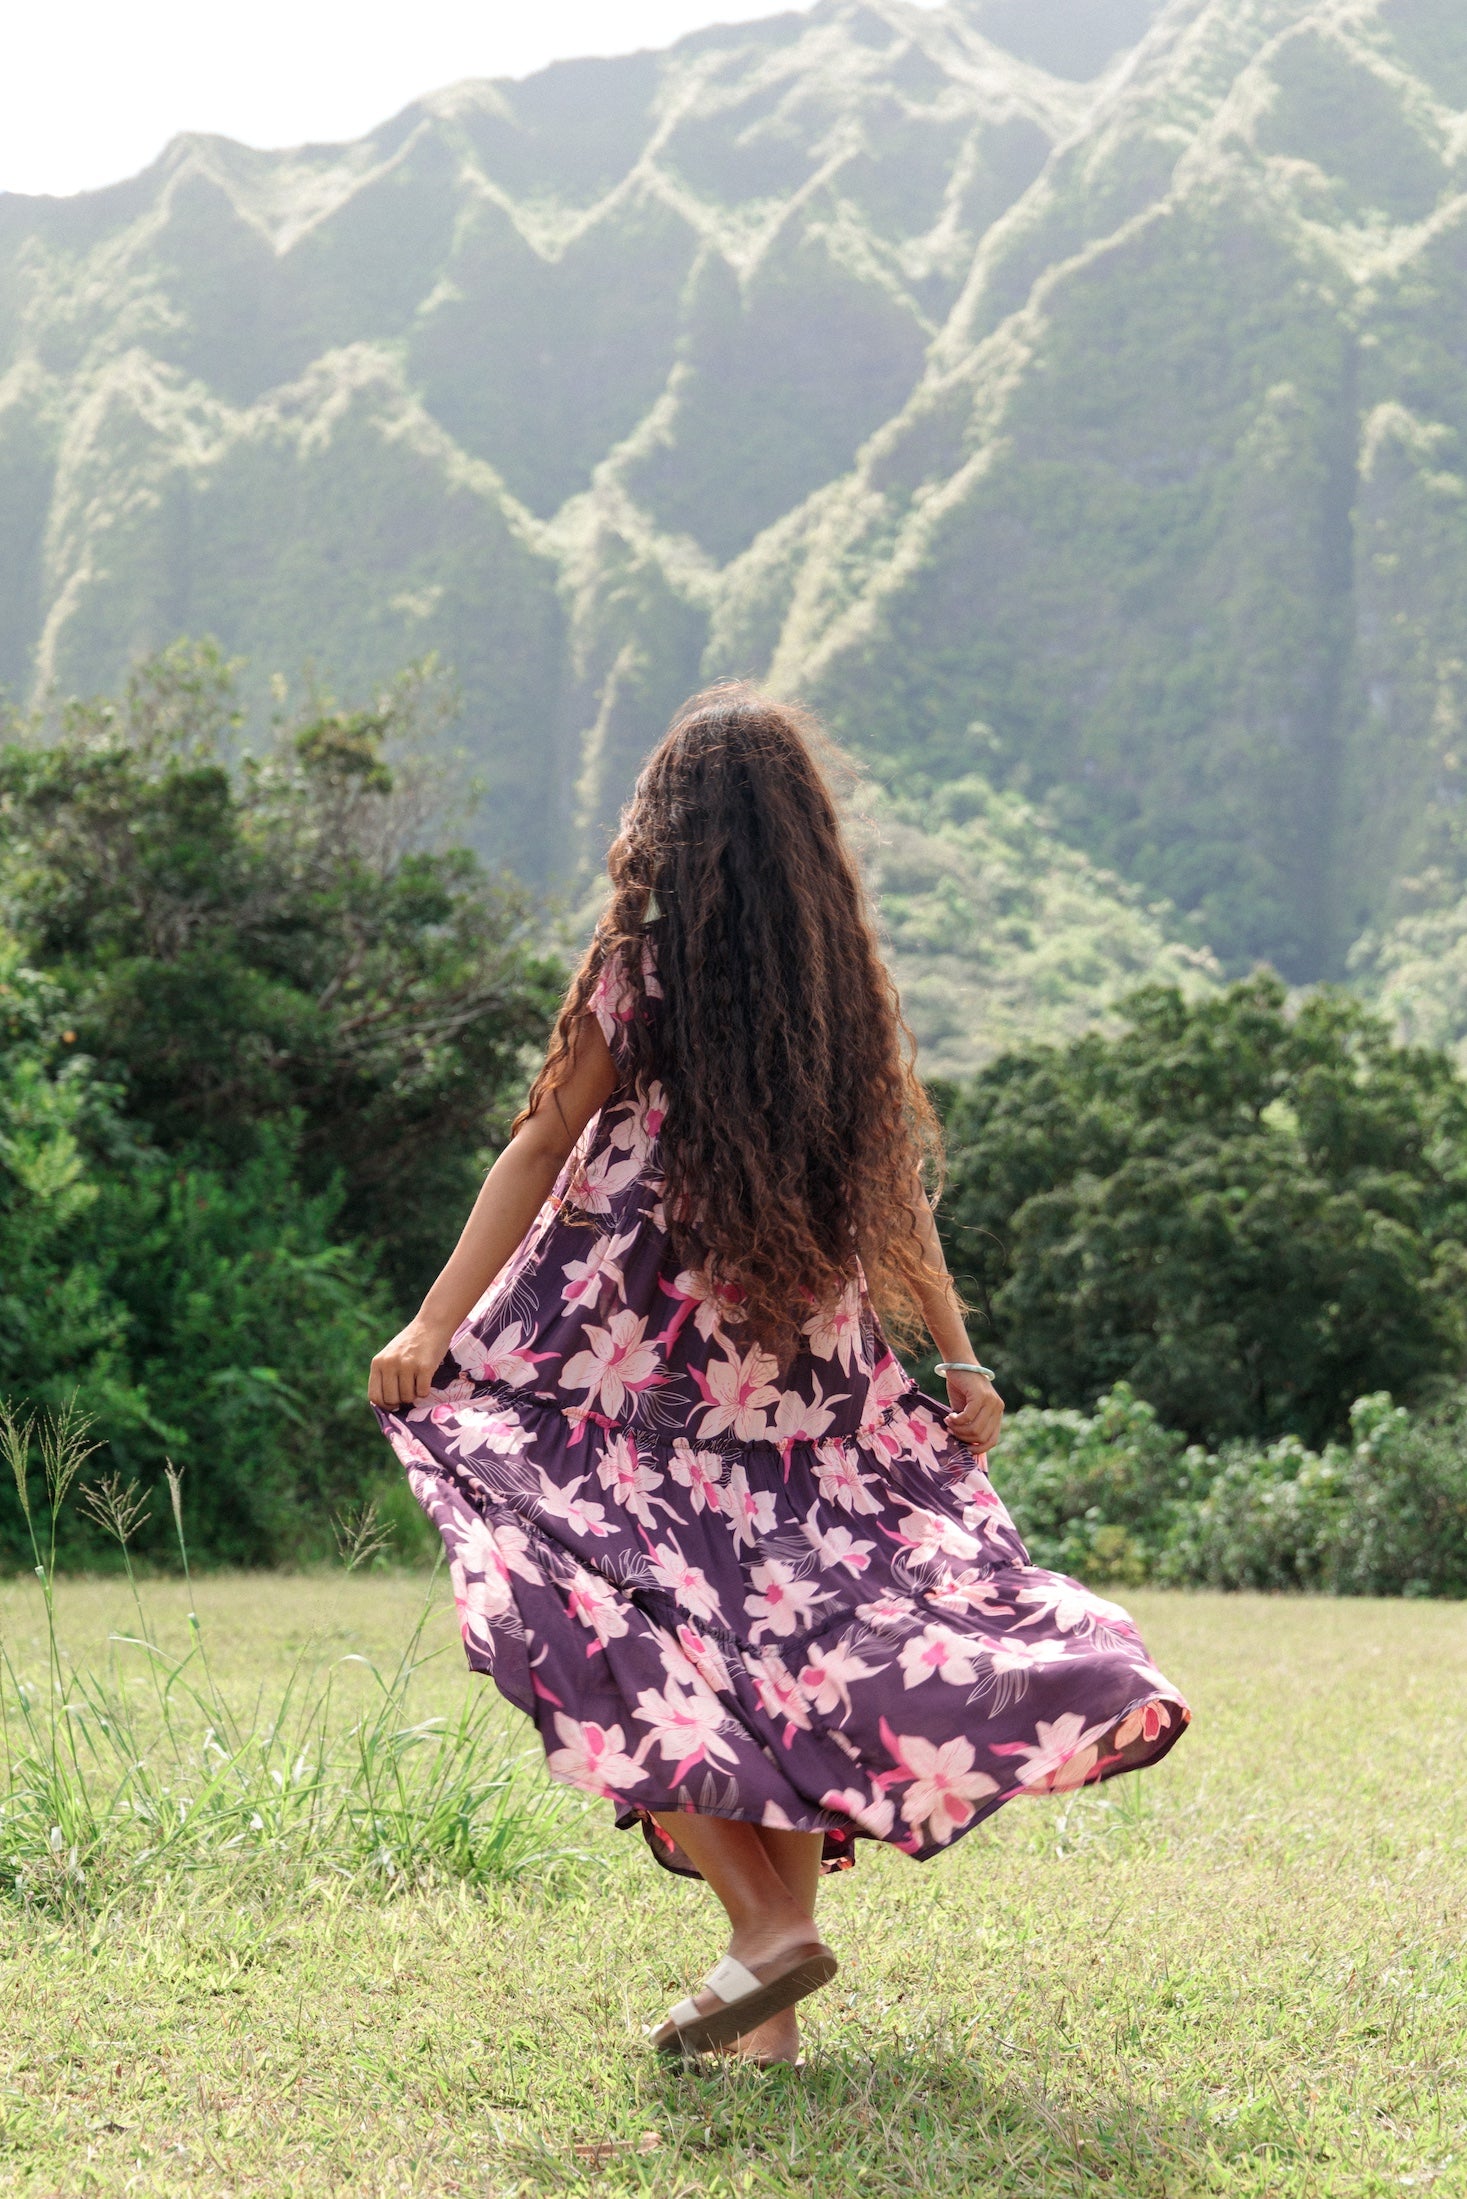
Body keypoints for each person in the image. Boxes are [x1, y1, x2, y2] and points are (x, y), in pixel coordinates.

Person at [368, 686, 1188, 2066]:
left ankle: (763, 1937)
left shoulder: (635, 972)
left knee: (624, 1633)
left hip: (625, 1388)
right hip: (807, 1405)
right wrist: (958, 1353)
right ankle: (773, 2026)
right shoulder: (843, 999)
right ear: (809, 839)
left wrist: (430, 1328)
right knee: (786, 1655)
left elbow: (535, 1149)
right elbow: (899, 1201)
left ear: (665, 832)